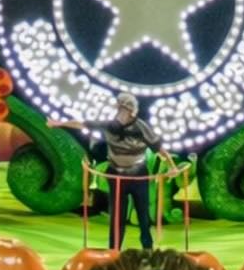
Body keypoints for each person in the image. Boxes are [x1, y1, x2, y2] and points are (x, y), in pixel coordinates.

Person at [51, 92, 166, 250]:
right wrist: (59, 123)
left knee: (143, 216)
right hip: (116, 176)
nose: (121, 112)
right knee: (117, 216)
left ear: (132, 111)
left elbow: (159, 148)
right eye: (120, 108)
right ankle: (114, 251)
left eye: (125, 109)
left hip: (138, 176)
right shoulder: (109, 125)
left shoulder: (141, 127)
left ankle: (148, 249)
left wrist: (172, 167)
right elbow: (82, 124)